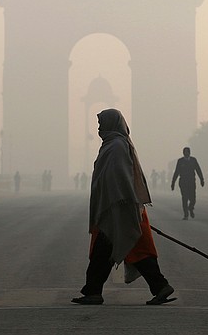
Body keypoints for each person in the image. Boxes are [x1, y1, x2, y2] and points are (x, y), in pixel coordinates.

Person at [72, 108, 175, 306]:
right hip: (118, 210)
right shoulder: (114, 145)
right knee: (133, 251)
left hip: (119, 210)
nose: (99, 128)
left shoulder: (117, 146)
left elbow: (120, 178)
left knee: (105, 253)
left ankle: (93, 291)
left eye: (102, 124)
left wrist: (121, 203)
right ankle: (160, 286)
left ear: (111, 124)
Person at [170, 147, 204, 219]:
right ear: (183, 153)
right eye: (185, 152)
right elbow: (176, 172)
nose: (186, 153)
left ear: (189, 153)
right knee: (184, 198)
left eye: (187, 152)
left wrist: (202, 179)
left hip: (191, 182)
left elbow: (198, 170)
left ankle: (191, 208)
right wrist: (173, 183)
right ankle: (186, 214)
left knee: (193, 198)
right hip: (183, 182)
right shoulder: (180, 161)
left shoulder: (193, 160)